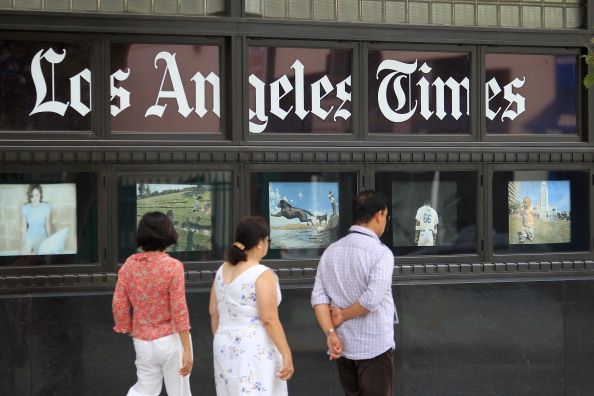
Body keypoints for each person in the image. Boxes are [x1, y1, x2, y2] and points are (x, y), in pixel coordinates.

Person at [311, 190, 397, 396]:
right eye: (386, 216)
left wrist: (330, 333)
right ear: (379, 215)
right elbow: (371, 300)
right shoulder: (381, 254)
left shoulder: (331, 251)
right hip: (375, 346)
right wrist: (344, 314)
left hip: (343, 346)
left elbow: (319, 298)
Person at [209, 216, 294, 395]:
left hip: (223, 344)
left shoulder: (221, 270)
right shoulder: (261, 274)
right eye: (267, 240)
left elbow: (213, 312)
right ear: (260, 243)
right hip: (254, 347)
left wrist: (224, 337)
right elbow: (269, 319)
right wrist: (286, 353)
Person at [112, 211, 193, 396]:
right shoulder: (173, 266)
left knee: (143, 390)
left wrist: (126, 326)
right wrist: (187, 350)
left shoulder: (130, 264)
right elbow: (179, 309)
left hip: (142, 340)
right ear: (168, 233)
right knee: (179, 392)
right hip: (170, 339)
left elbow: (118, 302)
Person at [21, 184, 51, 255]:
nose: (34, 198)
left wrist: (50, 241)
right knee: (24, 255)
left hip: (42, 236)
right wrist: (21, 245)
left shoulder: (46, 207)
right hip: (29, 236)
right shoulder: (25, 208)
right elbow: (24, 228)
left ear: (40, 195)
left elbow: (47, 226)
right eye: (32, 196)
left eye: (37, 195)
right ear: (29, 196)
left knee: (41, 256)